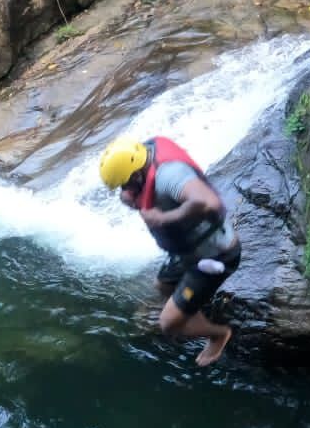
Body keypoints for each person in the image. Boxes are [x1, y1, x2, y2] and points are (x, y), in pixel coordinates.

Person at [99, 136, 242, 367]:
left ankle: (219, 334)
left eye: (125, 184)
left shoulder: (169, 175)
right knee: (163, 286)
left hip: (213, 256)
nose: (124, 192)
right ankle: (189, 307)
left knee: (168, 324)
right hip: (186, 252)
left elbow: (209, 202)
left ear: (136, 174)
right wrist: (131, 197)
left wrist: (163, 218)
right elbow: (135, 193)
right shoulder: (142, 158)